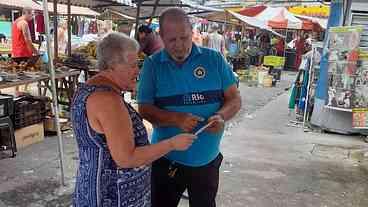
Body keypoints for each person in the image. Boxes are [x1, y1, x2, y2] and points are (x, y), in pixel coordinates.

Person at [71, 32, 196, 207]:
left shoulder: (89, 89)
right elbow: (126, 158)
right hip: (113, 197)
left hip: (92, 188)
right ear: (112, 66)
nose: (137, 70)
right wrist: (172, 144)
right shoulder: (108, 100)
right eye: (132, 65)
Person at [138, 8, 242, 207]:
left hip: (207, 160)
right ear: (161, 37)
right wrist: (175, 119)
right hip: (167, 159)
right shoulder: (152, 65)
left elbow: (234, 99)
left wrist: (221, 116)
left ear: (192, 31)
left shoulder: (214, 60)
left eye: (184, 38)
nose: (179, 46)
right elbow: (144, 108)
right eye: (172, 40)